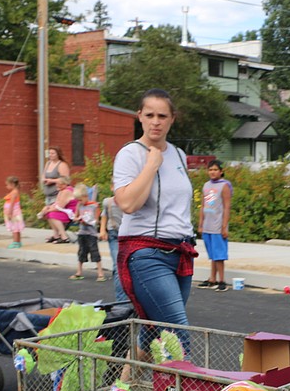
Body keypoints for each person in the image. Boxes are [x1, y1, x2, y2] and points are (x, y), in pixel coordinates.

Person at [112, 88, 197, 330]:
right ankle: (179, 369)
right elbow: (128, 204)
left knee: (152, 337)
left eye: (162, 116)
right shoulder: (130, 154)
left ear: (173, 118)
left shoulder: (179, 155)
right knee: (176, 329)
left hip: (180, 251)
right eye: (150, 115)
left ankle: (126, 369)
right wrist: (150, 166)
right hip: (147, 253)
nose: (156, 122)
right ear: (139, 116)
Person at [197, 161, 232, 291]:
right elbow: (204, 205)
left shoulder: (224, 186)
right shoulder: (206, 185)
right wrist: (200, 224)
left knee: (219, 255)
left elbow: (227, 207)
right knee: (212, 254)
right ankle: (212, 279)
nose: (212, 172)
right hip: (208, 225)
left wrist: (224, 226)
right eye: (210, 169)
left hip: (218, 226)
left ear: (221, 171)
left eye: (215, 169)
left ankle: (222, 280)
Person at [71, 188, 104, 282]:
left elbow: (97, 220)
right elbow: (76, 216)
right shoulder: (79, 205)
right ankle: (79, 272)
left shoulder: (94, 205)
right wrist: (77, 219)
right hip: (82, 232)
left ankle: (100, 273)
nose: (79, 202)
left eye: (80, 199)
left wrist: (89, 221)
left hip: (91, 232)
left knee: (94, 251)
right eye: (78, 200)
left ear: (85, 196)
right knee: (81, 252)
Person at [99, 194, 125, 301]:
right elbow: (104, 216)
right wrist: (102, 230)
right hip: (114, 234)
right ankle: (121, 301)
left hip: (127, 234)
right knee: (118, 266)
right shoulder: (108, 201)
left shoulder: (129, 200)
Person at [39, 176, 76, 243]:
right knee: (48, 213)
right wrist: (47, 208)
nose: (56, 185)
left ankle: (64, 237)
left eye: (58, 184)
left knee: (52, 214)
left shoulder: (66, 191)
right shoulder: (61, 190)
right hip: (65, 210)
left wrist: (48, 210)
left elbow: (60, 206)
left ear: (64, 184)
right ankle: (56, 235)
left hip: (71, 212)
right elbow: (56, 204)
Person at [2, 176, 25, 248]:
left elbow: (12, 203)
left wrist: (9, 213)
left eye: (7, 185)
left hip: (13, 212)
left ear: (12, 184)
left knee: (15, 227)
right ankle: (18, 242)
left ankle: (15, 242)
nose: (6, 186)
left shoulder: (14, 192)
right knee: (17, 227)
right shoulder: (15, 191)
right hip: (15, 212)